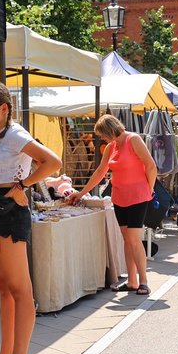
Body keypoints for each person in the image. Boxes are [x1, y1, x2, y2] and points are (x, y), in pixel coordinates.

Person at [0, 83, 61, 354]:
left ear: (3, 108)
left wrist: (23, 186)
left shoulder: (15, 134)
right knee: (4, 287)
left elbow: (52, 162)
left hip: (11, 213)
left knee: (20, 289)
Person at [67, 114, 157, 295]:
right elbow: (100, 172)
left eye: (102, 134)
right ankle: (132, 281)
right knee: (127, 239)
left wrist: (149, 190)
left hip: (138, 196)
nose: (101, 138)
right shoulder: (111, 147)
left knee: (133, 239)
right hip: (120, 197)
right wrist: (82, 193)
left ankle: (144, 281)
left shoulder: (134, 140)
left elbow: (151, 166)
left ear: (109, 130)